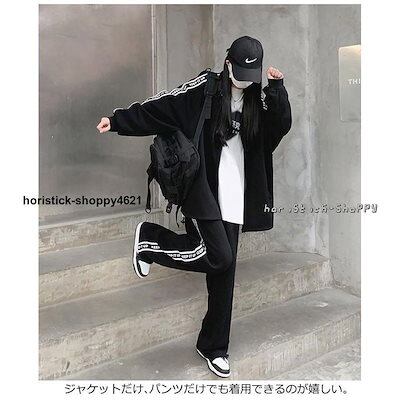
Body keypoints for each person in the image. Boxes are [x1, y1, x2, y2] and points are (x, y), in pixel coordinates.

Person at [96, 36, 292, 378]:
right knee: (220, 257)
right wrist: (118, 121)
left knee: (224, 274)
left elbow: (277, 131)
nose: (246, 82)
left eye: (253, 76)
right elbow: (163, 106)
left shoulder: (257, 100)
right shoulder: (205, 89)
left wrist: (276, 92)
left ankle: (213, 346)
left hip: (237, 196)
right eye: (240, 74)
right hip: (203, 191)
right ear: (228, 64)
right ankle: (150, 240)